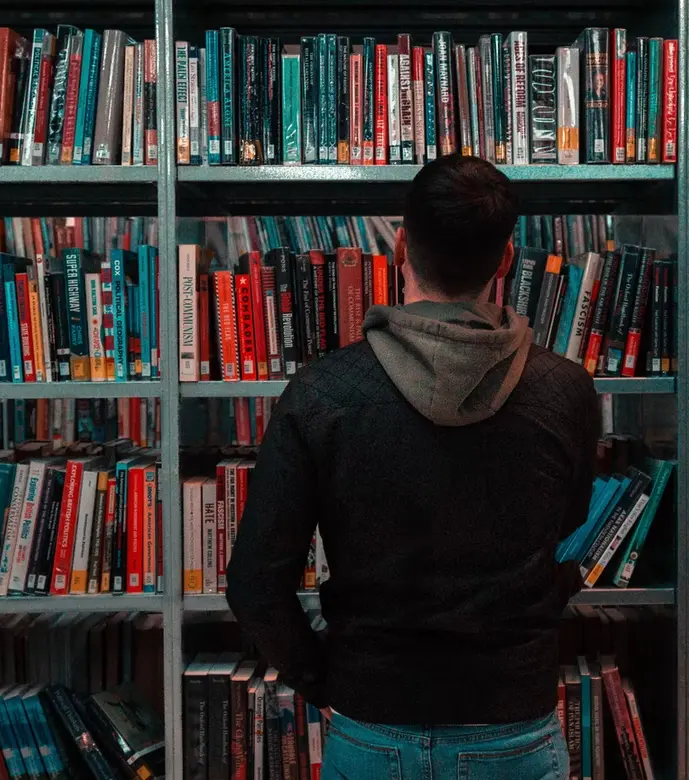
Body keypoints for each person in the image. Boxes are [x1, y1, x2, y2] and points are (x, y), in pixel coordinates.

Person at [226, 154, 600, 780]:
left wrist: (330, 678)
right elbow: (568, 522)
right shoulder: (566, 391)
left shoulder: (324, 392)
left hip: (372, 720)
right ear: (505, 260)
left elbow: (255, 584)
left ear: (399, 247)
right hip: (512, 719)